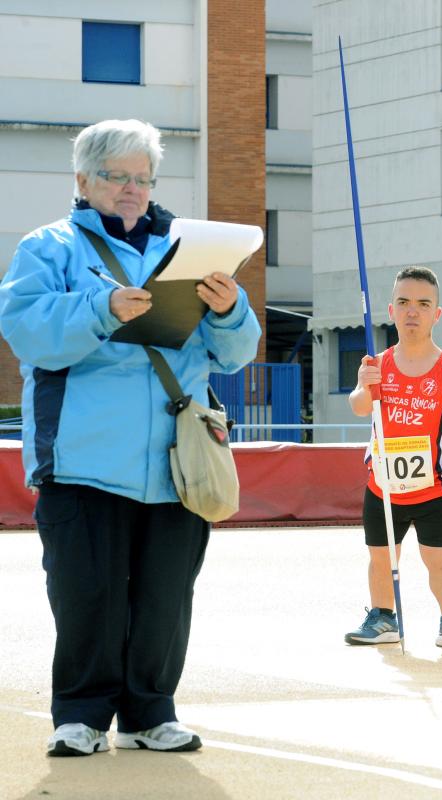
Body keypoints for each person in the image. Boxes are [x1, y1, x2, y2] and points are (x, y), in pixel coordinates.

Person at [0, 119, 261, 756]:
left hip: (176, 461)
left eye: (143, 179)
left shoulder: (184, 246)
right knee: (86, 593)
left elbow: (234, 356)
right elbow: (28, 331)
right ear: (83, 179)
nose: (133, 190)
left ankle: (151, 713)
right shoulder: (49, 247)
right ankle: (81, 715)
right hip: (82, 460)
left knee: (165, 597)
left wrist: (229, 310)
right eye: (118, 176)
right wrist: (100, 309)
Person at [345, 266, 442, 650]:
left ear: (436, 314)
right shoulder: (377, 365)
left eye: (423, 304)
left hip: (431, 488)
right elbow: (358, 406)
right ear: (391, 309)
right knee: (381, 558)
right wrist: (364, 386)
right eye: (404, 302)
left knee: (440, 558)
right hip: (383, 487)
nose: (412, 312)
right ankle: (383, 617)